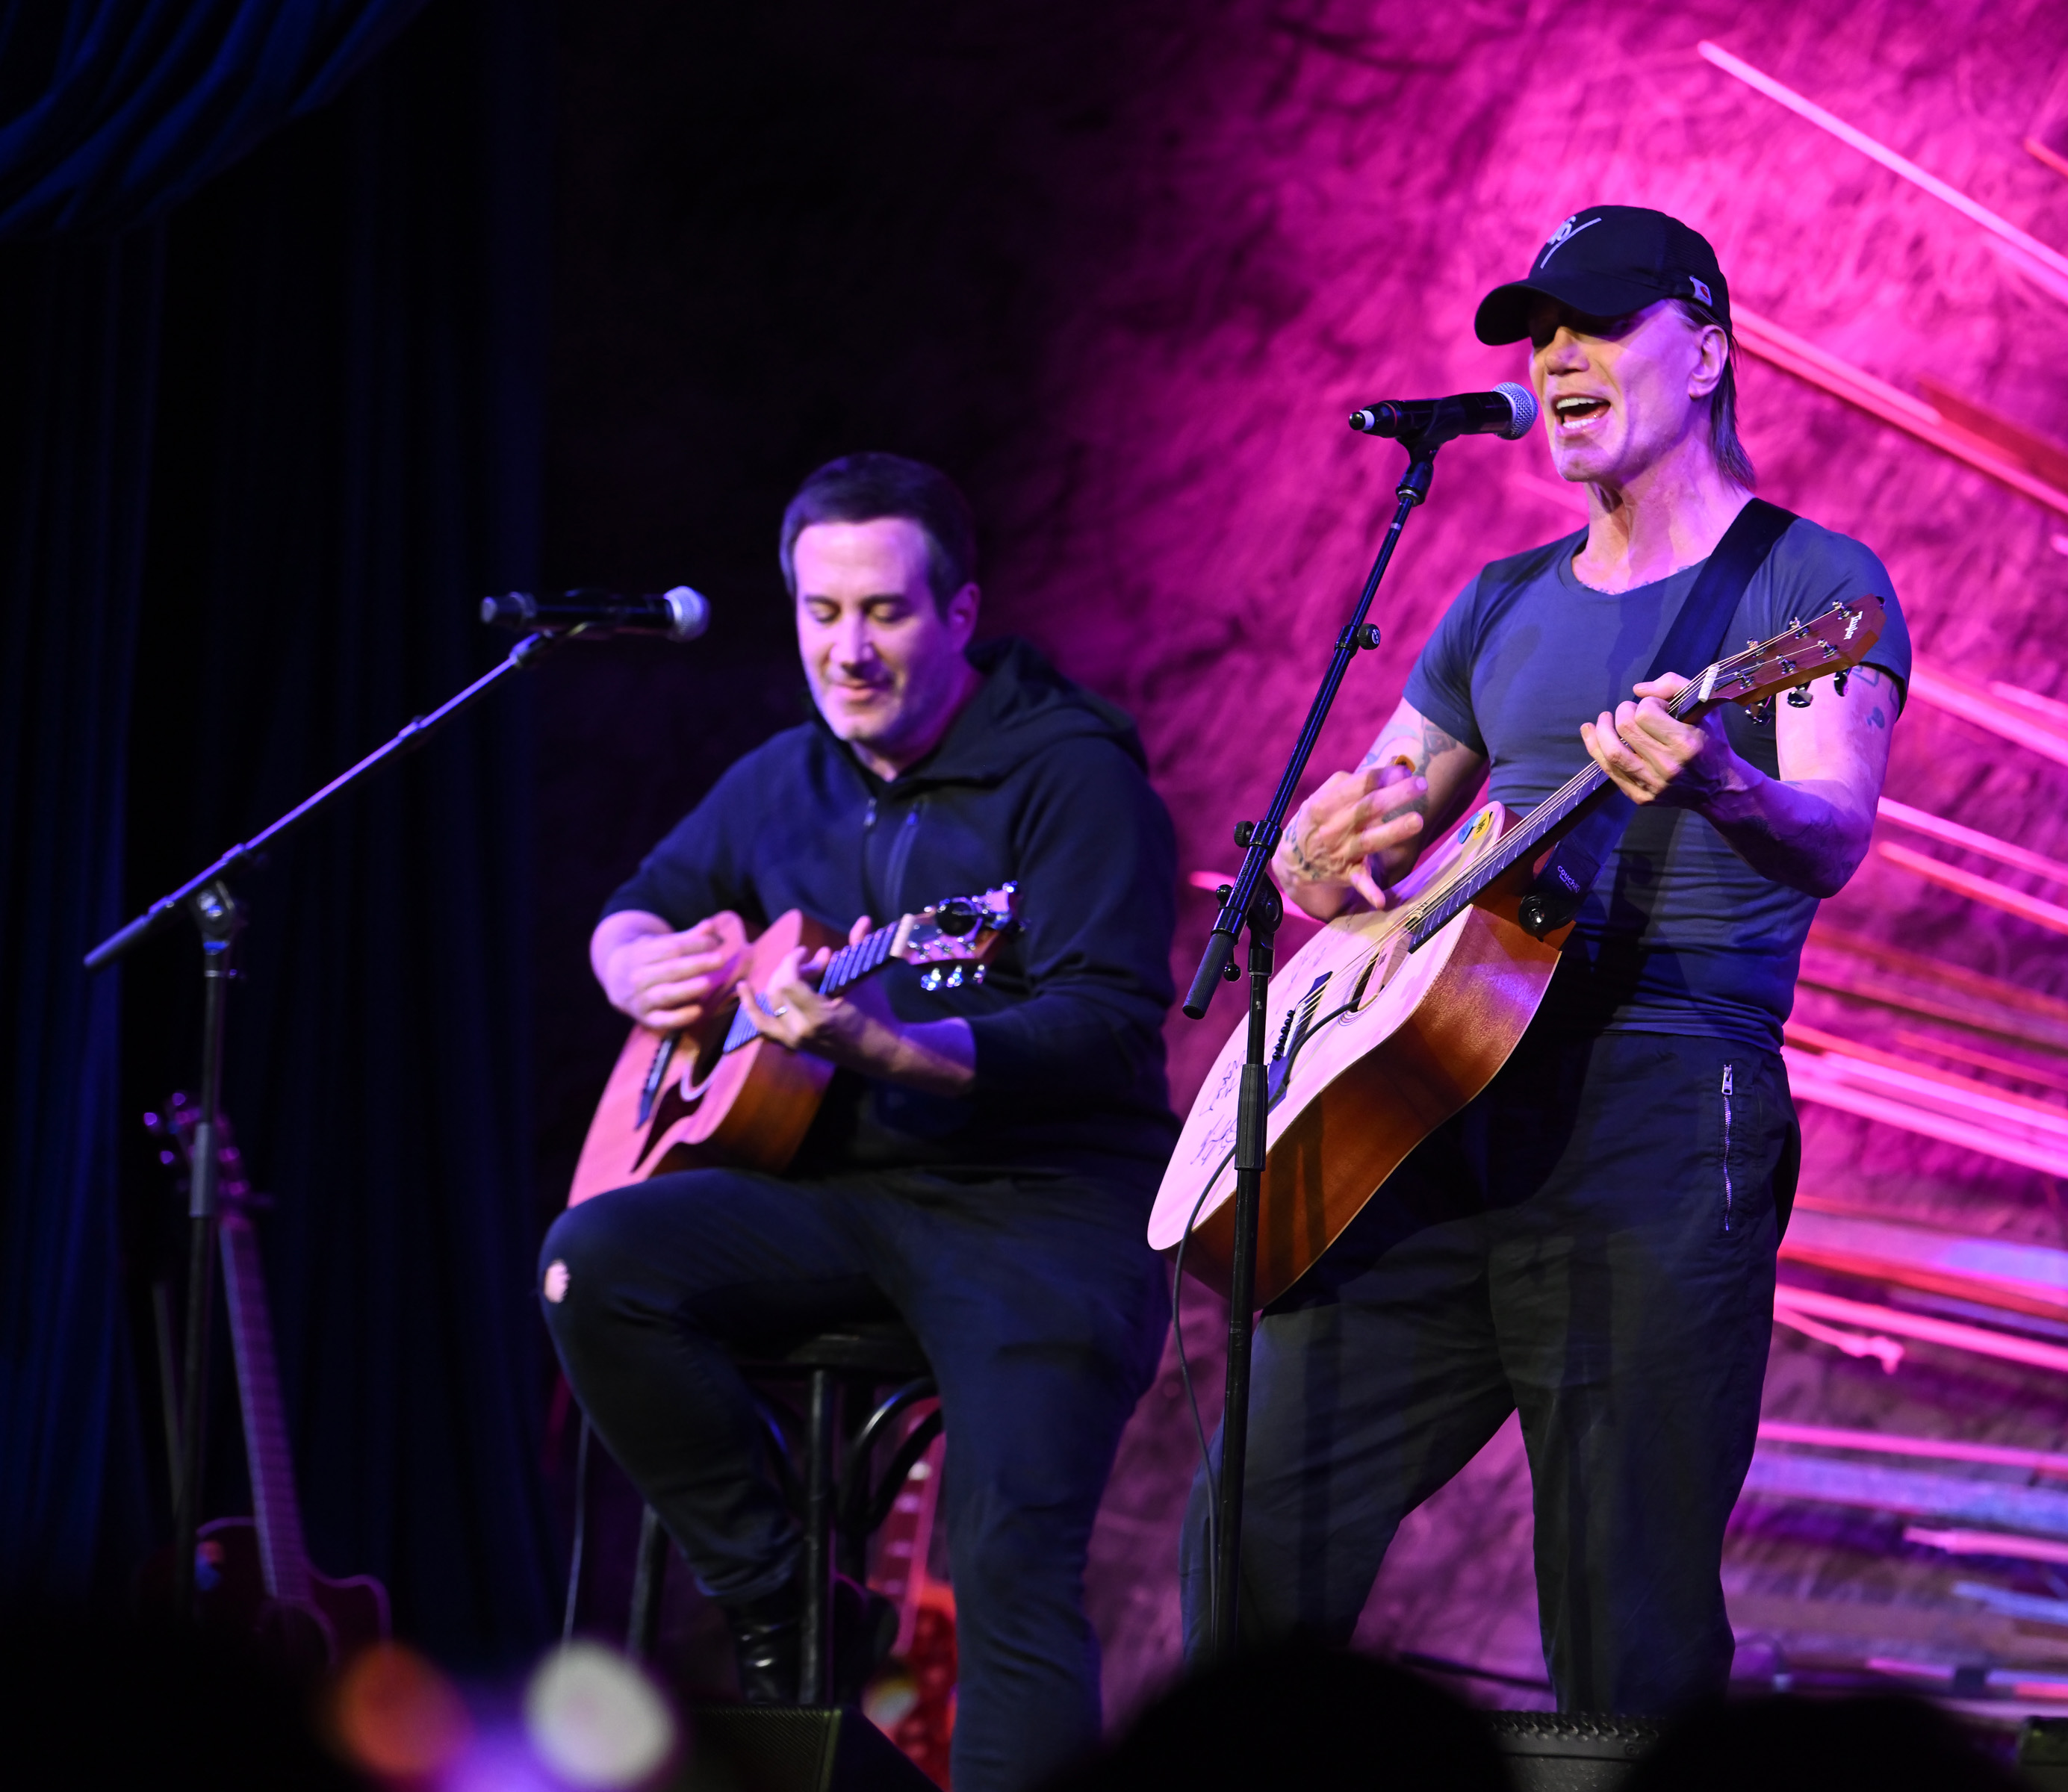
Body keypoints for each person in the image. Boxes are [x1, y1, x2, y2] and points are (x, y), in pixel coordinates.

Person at [1182, 206, 1911, 1713]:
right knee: (1258, 1511)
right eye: (1537, 333)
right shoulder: (1496, 602)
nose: (1553, 357)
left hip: (1658, 1100)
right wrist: (1329, 863)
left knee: (1624, 1608)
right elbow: (1371, 847)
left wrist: (1721, 782)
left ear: (1706, 351)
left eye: (1594, 326)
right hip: (1432, 1106)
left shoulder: (1806, 591)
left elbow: (1834, 832)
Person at [540, 453, 1178, 1792]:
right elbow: (638, 904)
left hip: (1042, 1215)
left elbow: (1111, 1030)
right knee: (589, 1264)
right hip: (840, 1198)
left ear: (958, 615)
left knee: (1009, 1570)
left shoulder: (1071, 777)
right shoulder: (784, 778)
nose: (849, 650)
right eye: (821, 614)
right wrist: (630, 962)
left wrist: (894, 1043)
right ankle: (786, 1600)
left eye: (883, 612)